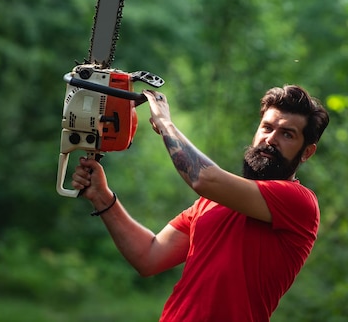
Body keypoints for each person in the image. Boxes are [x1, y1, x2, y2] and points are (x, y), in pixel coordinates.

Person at [71, 84, 330, 321]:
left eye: (287, 134)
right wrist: (102, 196)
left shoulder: (299, 202)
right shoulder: (212, 201)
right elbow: (148, 256)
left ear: (307, 152)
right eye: (267, 127)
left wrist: (165, 123)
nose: (270, 139)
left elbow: (203, 178)